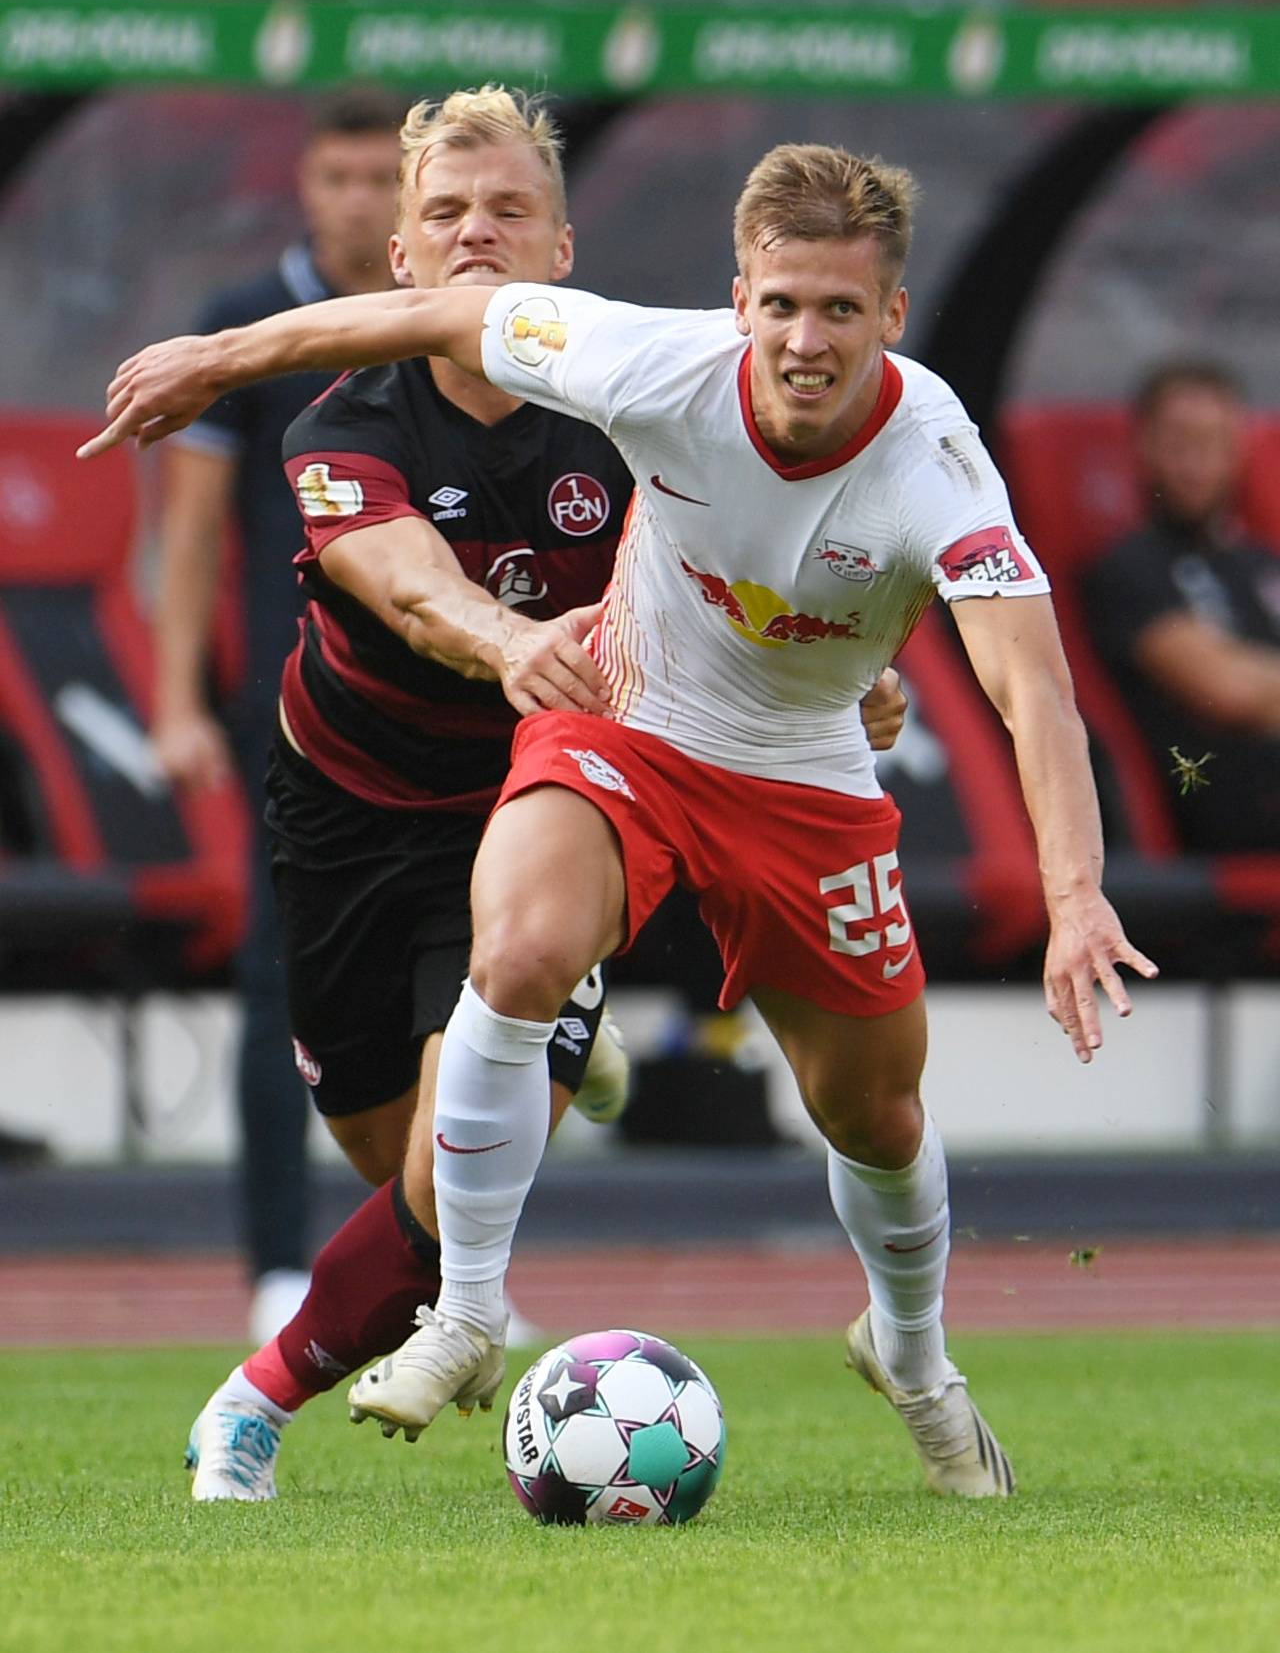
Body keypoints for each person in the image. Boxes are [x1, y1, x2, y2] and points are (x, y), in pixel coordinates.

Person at [80, 135, 1137, 1502]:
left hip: (806, 776)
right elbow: (431, 314)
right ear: (738, 294)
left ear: (894, 315)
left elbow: (1032, 689)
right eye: (780, 303)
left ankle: (916, 1352)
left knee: (872, 1111)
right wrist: (215, 359)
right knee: (514, 959)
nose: (805, 340)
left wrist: (1076, 894)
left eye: (839, 309)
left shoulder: (938, 460)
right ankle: (468, 1307)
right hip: (624, 725)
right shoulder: (645, 360)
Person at [151, 88, 405, 1342]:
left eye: (379, 178)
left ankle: (446, 1258)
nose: (359, 199)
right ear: (306, 186)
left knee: (456, 984)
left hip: (434, 706)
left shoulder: (440, 328)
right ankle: (274, 1261)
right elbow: (189, 534)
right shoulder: (236, 328)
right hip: (288, 710)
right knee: (281, 982)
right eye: (339, 177)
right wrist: (172, 698)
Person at [1081, 360, 1280, 852]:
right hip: (1220, 809)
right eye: (1180, 443)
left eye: (1212, 444)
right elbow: (1225, 689)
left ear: (1238, 449)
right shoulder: (1128, 568)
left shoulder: (1260, 562)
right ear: (1145, 445)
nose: (1196, 464)